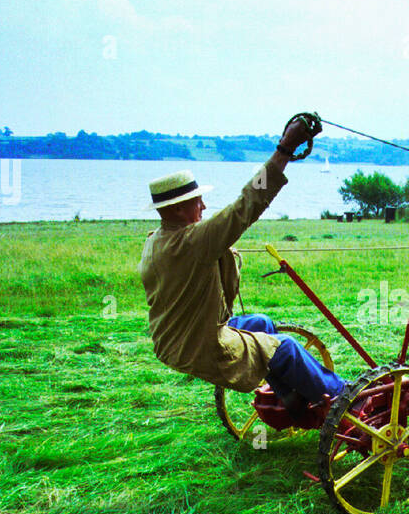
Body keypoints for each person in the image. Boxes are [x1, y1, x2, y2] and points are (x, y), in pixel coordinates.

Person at [137, 115, 348, 417]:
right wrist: (285, 149)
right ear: (180, 208)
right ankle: (344, 397)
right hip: (201, 345)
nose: (204, 207)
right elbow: (248, 203)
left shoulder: (156, 240)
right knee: (285, 347)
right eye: (198, 201)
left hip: (173, 340)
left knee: (261, 323)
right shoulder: (194, 242)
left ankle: (293, 400)